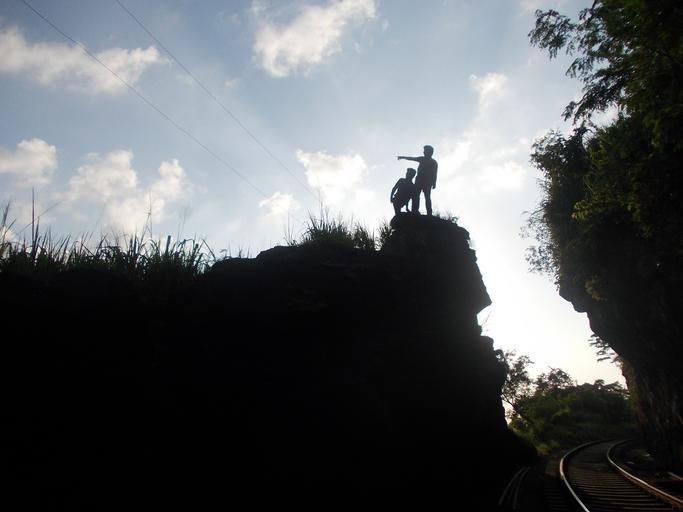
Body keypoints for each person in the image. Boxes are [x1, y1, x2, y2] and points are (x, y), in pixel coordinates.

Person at [397, 145, 438, 215]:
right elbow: (412, 158)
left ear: (430, 152)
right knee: (416, 196)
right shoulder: (423, 159)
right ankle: (415, 210)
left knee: (426, 197)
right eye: (424, 151)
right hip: (419, 181)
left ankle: (428, 212)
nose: (424, 152)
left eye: (425, 151)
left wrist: (434, 183)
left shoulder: (433, 162)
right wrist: (402, 157)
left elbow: (434, 173)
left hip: (427, 182)